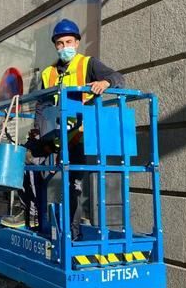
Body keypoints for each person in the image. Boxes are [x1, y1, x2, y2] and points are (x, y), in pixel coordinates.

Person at [33, 19, 125, 240]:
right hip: (55, 133)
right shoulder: (48, 73)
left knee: (73, 183)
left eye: (69, 42)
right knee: (32, 167)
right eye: (60, 43)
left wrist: (106, 83)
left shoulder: (88, 64)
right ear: (55, 45)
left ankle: (73, 234)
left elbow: (118, 77)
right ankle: (40, 218)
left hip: (79, 136)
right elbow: (42, 104)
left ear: (76, 42)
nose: (65, 47)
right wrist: (37, 132)